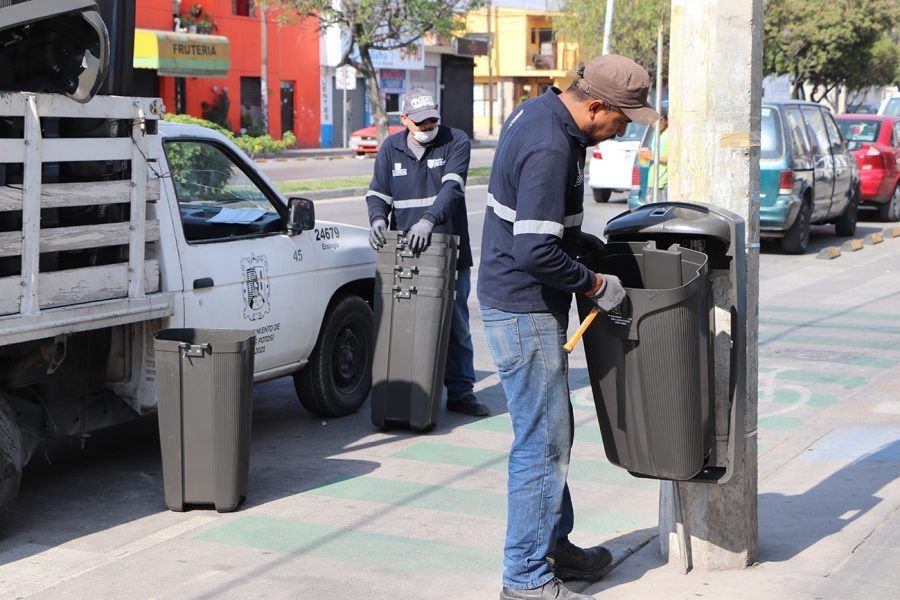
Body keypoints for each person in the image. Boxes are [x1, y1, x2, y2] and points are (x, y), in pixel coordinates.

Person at [478, 55, 659, 600]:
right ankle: (526, 578)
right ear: (596, 104)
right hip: (522, 307)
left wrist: (589, 249)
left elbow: (545, 227)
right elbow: (534, 250)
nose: (621, 131)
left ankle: (555, 546)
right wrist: (597, 285)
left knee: (551, 435)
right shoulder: (552, 145)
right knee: (543, 444)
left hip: (521, 300)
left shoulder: (545, 115)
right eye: (622, 120)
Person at [366, 88, 489, 417]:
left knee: (456, 325)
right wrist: (378, 219)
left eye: (433, 119)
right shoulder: (390, 149)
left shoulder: (455, 141)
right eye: (421, 122)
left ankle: (461, 391)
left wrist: (428, 221)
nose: (429, 126)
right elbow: (377, 193)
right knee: (403, 324)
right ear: (404, 120)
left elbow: (452, 188)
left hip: (447, 252)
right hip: (404, 253)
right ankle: (409, 388)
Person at [637, 105, 669, 201]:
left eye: (654, 121)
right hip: (653, 182)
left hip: (663, 185)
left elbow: (673, 159)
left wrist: (651, 157)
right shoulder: (657, 133)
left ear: (664, 119)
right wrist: (645, 153)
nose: (652, 124)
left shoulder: (670, 134)